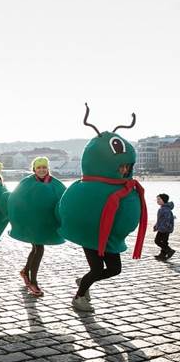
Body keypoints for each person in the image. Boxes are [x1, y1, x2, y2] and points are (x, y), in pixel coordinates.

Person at [58, 105, 147, 312]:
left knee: (114, 269)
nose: (124, 170)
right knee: (98, 268)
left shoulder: (126, 186)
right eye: (121, 166)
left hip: (110, 238)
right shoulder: (86, 186)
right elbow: (71, 206)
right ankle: (79, 297)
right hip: (90, 235)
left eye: (127, 166)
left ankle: (84, 281)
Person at [7, 157, 66, 296]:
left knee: (35, 249)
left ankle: (25, 271)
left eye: (44, 167)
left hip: (45, 224)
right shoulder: (27, 182)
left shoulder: (55, 183)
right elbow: (16, 199)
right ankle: (33, 282)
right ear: (34, 169)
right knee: (39, 249)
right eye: (38, 167)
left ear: (48, 168)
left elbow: (65, 200)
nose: (41, 170)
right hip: (31, 224)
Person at [154, 193, 175, 260]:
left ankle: (169, 250)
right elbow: (160, 219)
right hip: (163, 228)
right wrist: (156, 226)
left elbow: (167, 220)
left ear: (164, 200)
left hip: (164, 229)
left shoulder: (166, 209)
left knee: (157, 241)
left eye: (159, 199)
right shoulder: (163, 208)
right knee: (164, 242)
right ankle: (162, 255)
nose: (157, 201)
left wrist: (162, 228)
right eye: (157, 199)